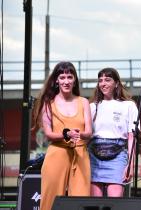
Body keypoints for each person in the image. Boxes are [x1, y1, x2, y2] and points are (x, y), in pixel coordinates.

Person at [32, 61, 92, 210]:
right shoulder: (47, 103)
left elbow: (89, 132)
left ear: (75, 80)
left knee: (81, 201)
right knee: (49, 200)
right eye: (62, 77)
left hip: (80, 155)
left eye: (70, 77)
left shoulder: (83, 102)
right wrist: (66, 134)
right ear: (56, 80)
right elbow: (49, 134)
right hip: (57, 153)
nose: (66, 81)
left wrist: (79, 134)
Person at [88, 67, 138, 197]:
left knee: (115, 202)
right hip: (93, 155)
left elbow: (132, 137)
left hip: (118, 156)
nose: (103, 83)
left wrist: (130, 164)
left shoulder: (129, 106)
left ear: (116, 83)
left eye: (107, 80)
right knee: (94, 204)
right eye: (100, 80)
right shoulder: (91, 107)